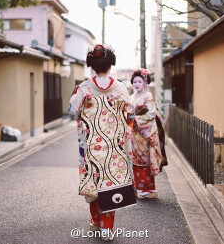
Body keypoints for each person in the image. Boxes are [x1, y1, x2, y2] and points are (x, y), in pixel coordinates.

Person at [68, 44, 136, 241]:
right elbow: (130, 112)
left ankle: (95, 220)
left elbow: (73, 111)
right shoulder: (120, 88)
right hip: (114, 146)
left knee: (93, 181)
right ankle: (107, 228)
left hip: (90, 145)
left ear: (91, 66)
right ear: (110, 65)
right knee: (111, 183)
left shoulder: (83, 88)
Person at [130, 69, 168, 199]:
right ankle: (137, 186)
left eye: (139, 81)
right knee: (134, 159)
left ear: (145, 83)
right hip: (134, 134)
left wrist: (136, 119)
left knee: (145, 159)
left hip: (144, 133)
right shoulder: (132, 97)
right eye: (134, 81)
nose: (136, 84)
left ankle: (149, 188)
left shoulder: (148, 96)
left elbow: (151, 114)